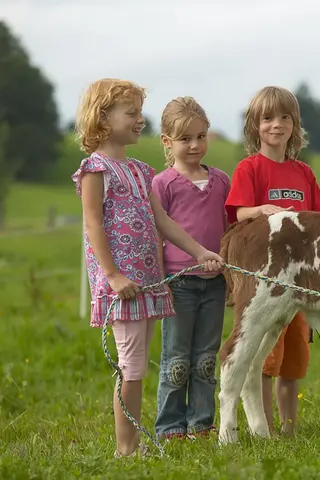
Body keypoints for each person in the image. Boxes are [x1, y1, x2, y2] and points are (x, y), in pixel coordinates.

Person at [71, 79, 224, 457]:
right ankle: (127, 448)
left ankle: (136, 441)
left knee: (137, 363)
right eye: (133, 113)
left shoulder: (140, 170)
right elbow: (92, 225)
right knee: (133, 365)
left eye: (141, 112)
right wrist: (112, 275)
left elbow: (165, 223)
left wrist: (201, 250)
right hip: (121, 284)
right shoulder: (95, 169)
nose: (141, 120)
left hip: (147, 282)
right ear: (104, 117)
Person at [224, 86, 320, 436]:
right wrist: (263, 210)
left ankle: (289, 427)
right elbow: (238, 214)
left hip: (302, 277)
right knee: (264, 355)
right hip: (266, 280)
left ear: (295, 125)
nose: (277, 124)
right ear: (255, 126)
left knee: (295, 356)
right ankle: (262, 425)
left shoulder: (303, 173)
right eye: (267, 118)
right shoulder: (250, 168)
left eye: (285, 117)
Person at [152, 96, 230, 441]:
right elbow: (157, 233)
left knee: (206, 358)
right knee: (177, 358)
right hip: (178, 285)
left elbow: (229, 232)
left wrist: (231, 277)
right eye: (185, 139)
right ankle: (170, 426)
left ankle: (202, 423)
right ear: (167, 142)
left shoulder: (222, 182)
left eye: (201, 136)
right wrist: (160, 281)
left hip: (215, 284)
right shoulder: (162, 184)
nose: (195, 145)